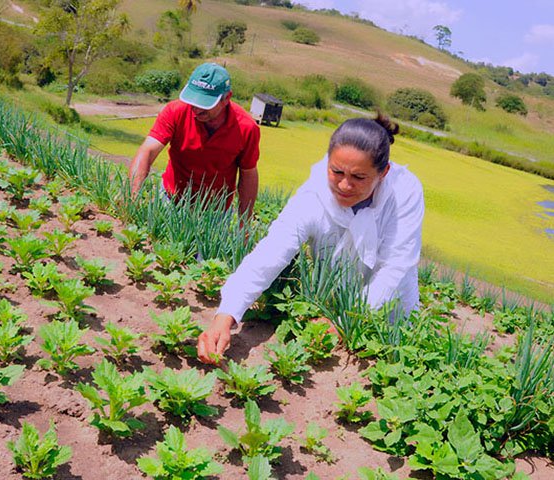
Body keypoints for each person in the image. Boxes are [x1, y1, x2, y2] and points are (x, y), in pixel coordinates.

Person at [197, 113, 425, 364]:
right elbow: (270, 253)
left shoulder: (405, 192)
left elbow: (395, 266)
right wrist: (226, 314)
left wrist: (346, 320)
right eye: (337, 171)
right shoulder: (313, 194)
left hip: (390, 308)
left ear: (384, 173)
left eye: (359, 177)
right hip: (335, 303)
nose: (344, 185)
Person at [128, 62, 260, 218]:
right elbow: (147, 151)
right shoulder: (175, 111)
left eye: (205, 104)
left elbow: (248, 174)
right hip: (171, 200)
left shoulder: (246, 128)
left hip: (215, 213)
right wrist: (132, 199)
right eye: (193, 100)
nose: (196, 109)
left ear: (226, 99)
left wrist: (244, 223)